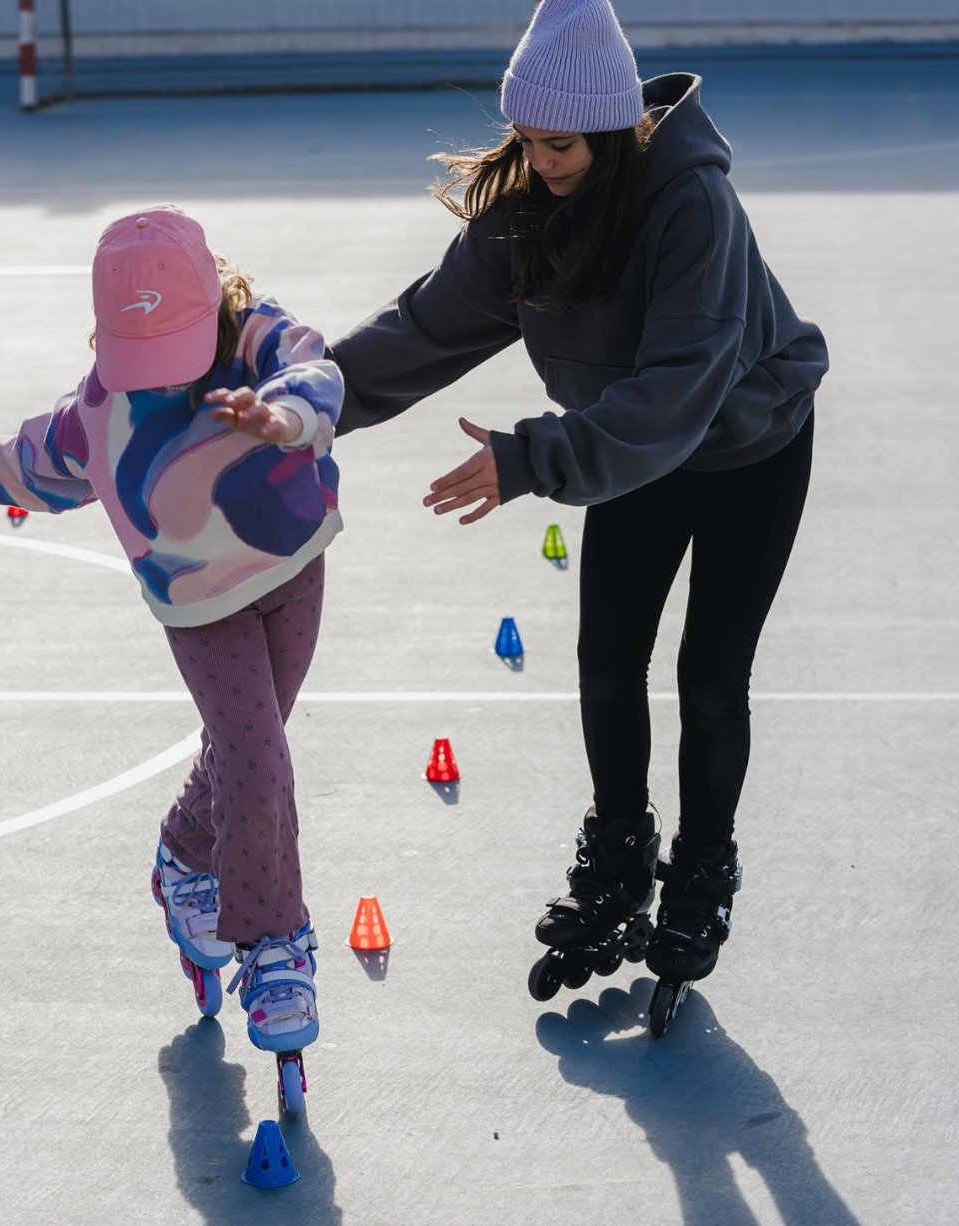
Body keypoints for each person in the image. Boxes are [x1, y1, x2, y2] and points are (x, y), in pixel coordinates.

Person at [329, 0, 828, 1008]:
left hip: (748, 446)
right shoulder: (528, 209)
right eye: (526, 140)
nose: (541, 160)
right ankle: (617, 854)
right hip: (633, 452)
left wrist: (532, 459)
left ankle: (701, 874)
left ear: (610, 129)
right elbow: (424, 331)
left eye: (559, 144)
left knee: (710, 672)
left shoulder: (694, 208)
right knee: (606, 660)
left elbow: (681, 386)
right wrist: (309, 401)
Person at [0, 205, 343, 1093]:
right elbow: (45, 454)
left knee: (250, 745)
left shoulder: (255, 339)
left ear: (214, 297)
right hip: (197, 605)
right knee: (257, 757)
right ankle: (275, 942)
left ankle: (180, 855)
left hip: (292, 566)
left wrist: (282, 419)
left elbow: (315, 370)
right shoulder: (105, 399)